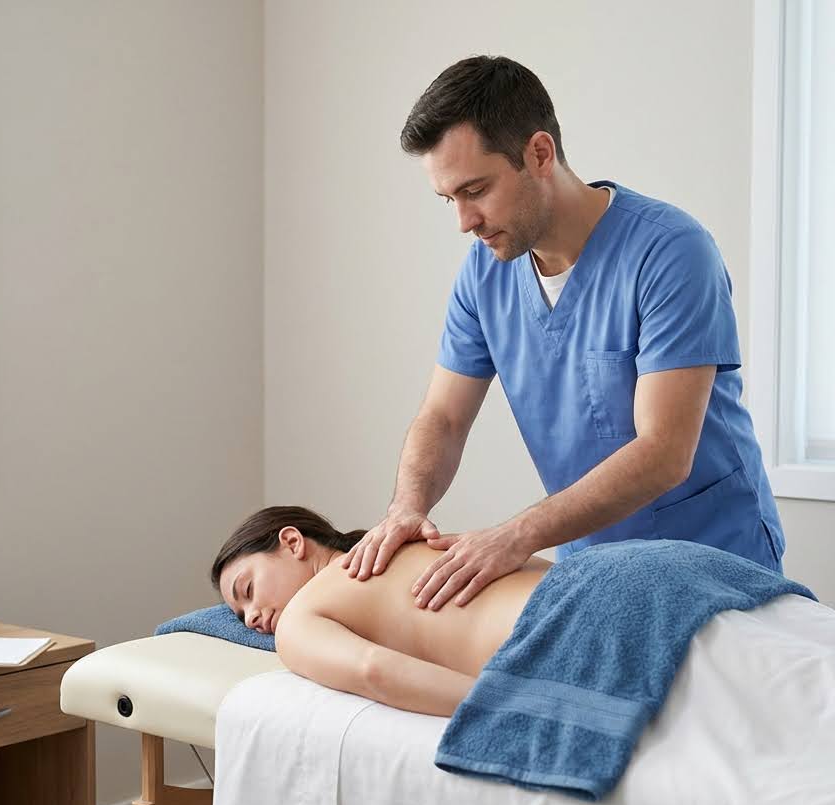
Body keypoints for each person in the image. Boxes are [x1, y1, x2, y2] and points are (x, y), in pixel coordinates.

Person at [336, 55, 784, 613]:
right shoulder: (484, 274)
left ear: (540, 154)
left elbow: (665, 452)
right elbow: (443, 418)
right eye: (450, 199)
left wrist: (515, 536)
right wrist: (407, 507)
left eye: (476, 190)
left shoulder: (671, 252)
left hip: (713, 559)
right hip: (592, 571)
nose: (464, 222)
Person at [212, 505, 551, 717]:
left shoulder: (298, 620)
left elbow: (374, 671)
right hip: (573, 582)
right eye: (241, 616)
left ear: (292, 542)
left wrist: (520, 707)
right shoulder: (408, 545)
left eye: (248, 590)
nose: (251, 617)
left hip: (548, 637)